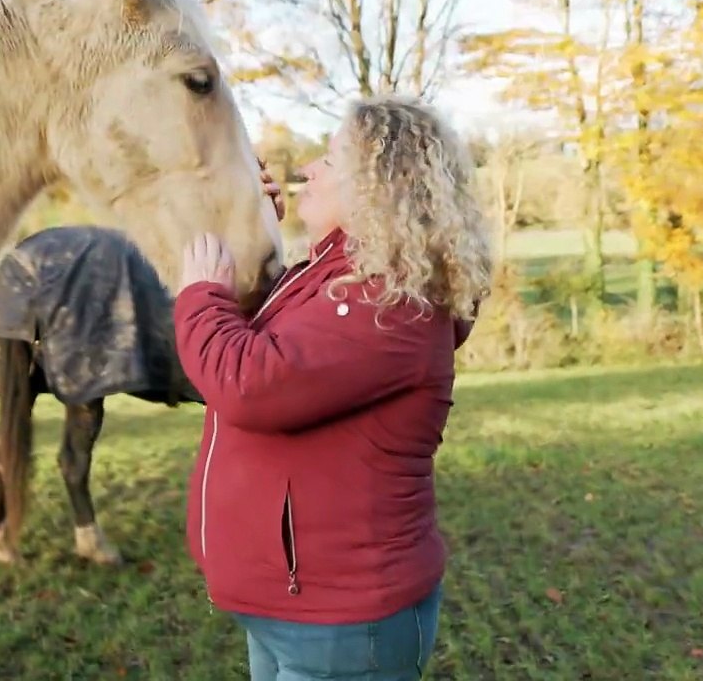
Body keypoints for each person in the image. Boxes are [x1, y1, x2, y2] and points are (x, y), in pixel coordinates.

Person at [172, 95, 494, 680]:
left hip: (341, 626)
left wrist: (198, 294)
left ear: (381, 184)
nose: (307, 171)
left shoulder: (391, 303)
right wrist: (253, 233)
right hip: (296, 610)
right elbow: (267, 342)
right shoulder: (336, 280)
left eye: (331, 157)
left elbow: (248, 383)